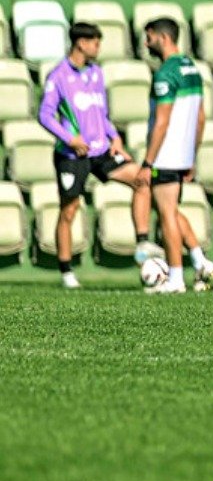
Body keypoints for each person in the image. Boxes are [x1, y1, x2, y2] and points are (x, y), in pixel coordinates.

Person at [39, 22, 148, 289]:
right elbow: (45, 114)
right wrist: (70, 139)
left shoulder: (96, 73)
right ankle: (66, 272)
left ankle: (144, 243)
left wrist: (117, 137)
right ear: (80, 43)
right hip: (72, 155)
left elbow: (102, 113)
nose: (98, 47)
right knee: (69, 209)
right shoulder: (58, 76)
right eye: (95, 42)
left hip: (101, 151)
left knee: (142, 178)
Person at [136, 17, 213, 294]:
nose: (146, 43)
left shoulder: (166, 73)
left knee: (167, 214)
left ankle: (175, 279)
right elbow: (201, 118)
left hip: (165, 155)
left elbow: (162, 121)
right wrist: (192, 155)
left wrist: (148, 162)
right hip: (182, 155)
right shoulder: (192, 69)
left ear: (163, 37)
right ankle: (199, 261)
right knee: (171, 211)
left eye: (149, 37)